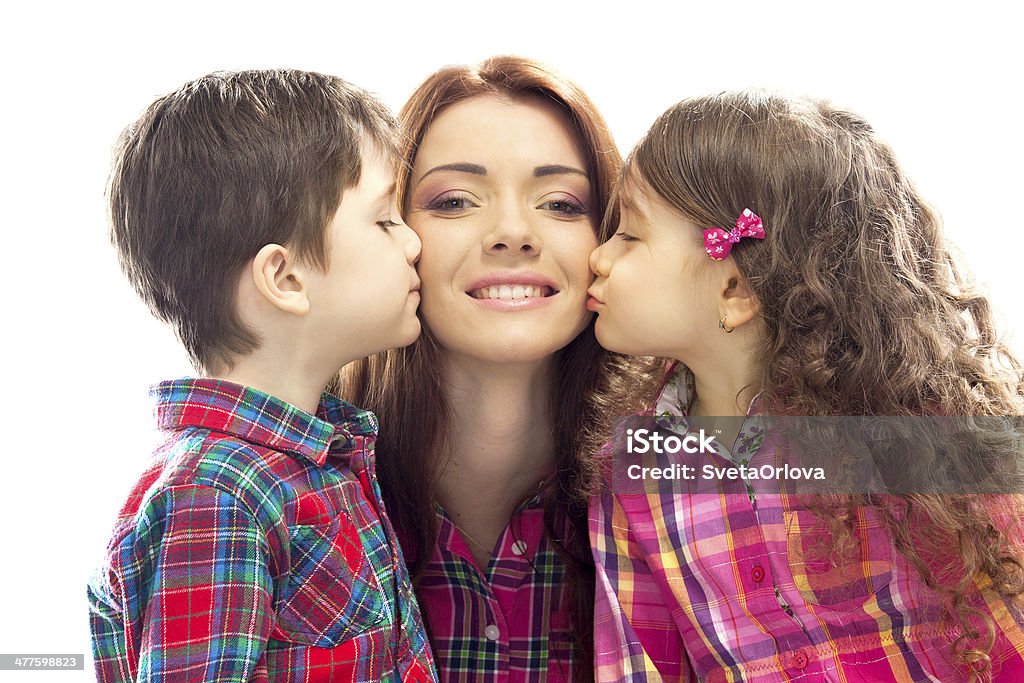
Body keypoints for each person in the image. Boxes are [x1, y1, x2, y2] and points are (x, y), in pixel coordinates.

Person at [587, 92, 1024, 681]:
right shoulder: (631, 469)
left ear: (735, 289)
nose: (598, 257)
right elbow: (639, 660)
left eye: (629, 236)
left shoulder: (910, 434)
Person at [87, 69, 436, 682]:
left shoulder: (318, 458)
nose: (413, 243)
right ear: (286, 278)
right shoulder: (215, 498)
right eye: (384, 221)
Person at [342, 56, 630, 682]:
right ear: (389, 233)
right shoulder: (293, 487)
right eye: (454, 201)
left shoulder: (680, 463)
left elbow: (893, 455)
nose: (512, 233)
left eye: (560, 203)